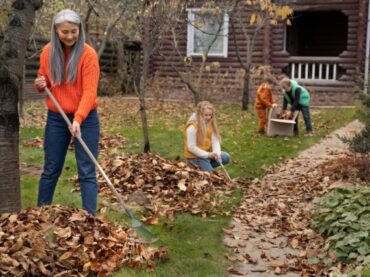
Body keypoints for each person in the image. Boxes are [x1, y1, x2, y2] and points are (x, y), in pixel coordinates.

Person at [34, 9, 100, 215]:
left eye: (74, 31)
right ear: (56, 31)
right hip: (56, 117)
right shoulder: (47, 52)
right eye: (65, 32)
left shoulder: (88, 54)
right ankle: (40, 214)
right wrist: (39, 83)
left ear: (80, 29)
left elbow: (90, 92)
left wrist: (78, 119)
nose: (70, 36)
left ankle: (90, 218)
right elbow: (42, 81)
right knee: (51, 168)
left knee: (87, 170)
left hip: (86, 118)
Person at [183, 101, 230, 172]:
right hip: (195, 156)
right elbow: (191, 147)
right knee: (210, 176)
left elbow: (215, 141)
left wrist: (216, 153)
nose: (208, 117)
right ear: (199, 115)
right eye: (206, 115)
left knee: (225, 157)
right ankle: (197, 166)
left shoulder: (209, 123)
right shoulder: (192, 127)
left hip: (207, 153)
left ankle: (205, 166)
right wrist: (207, 155)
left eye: (210, 115)